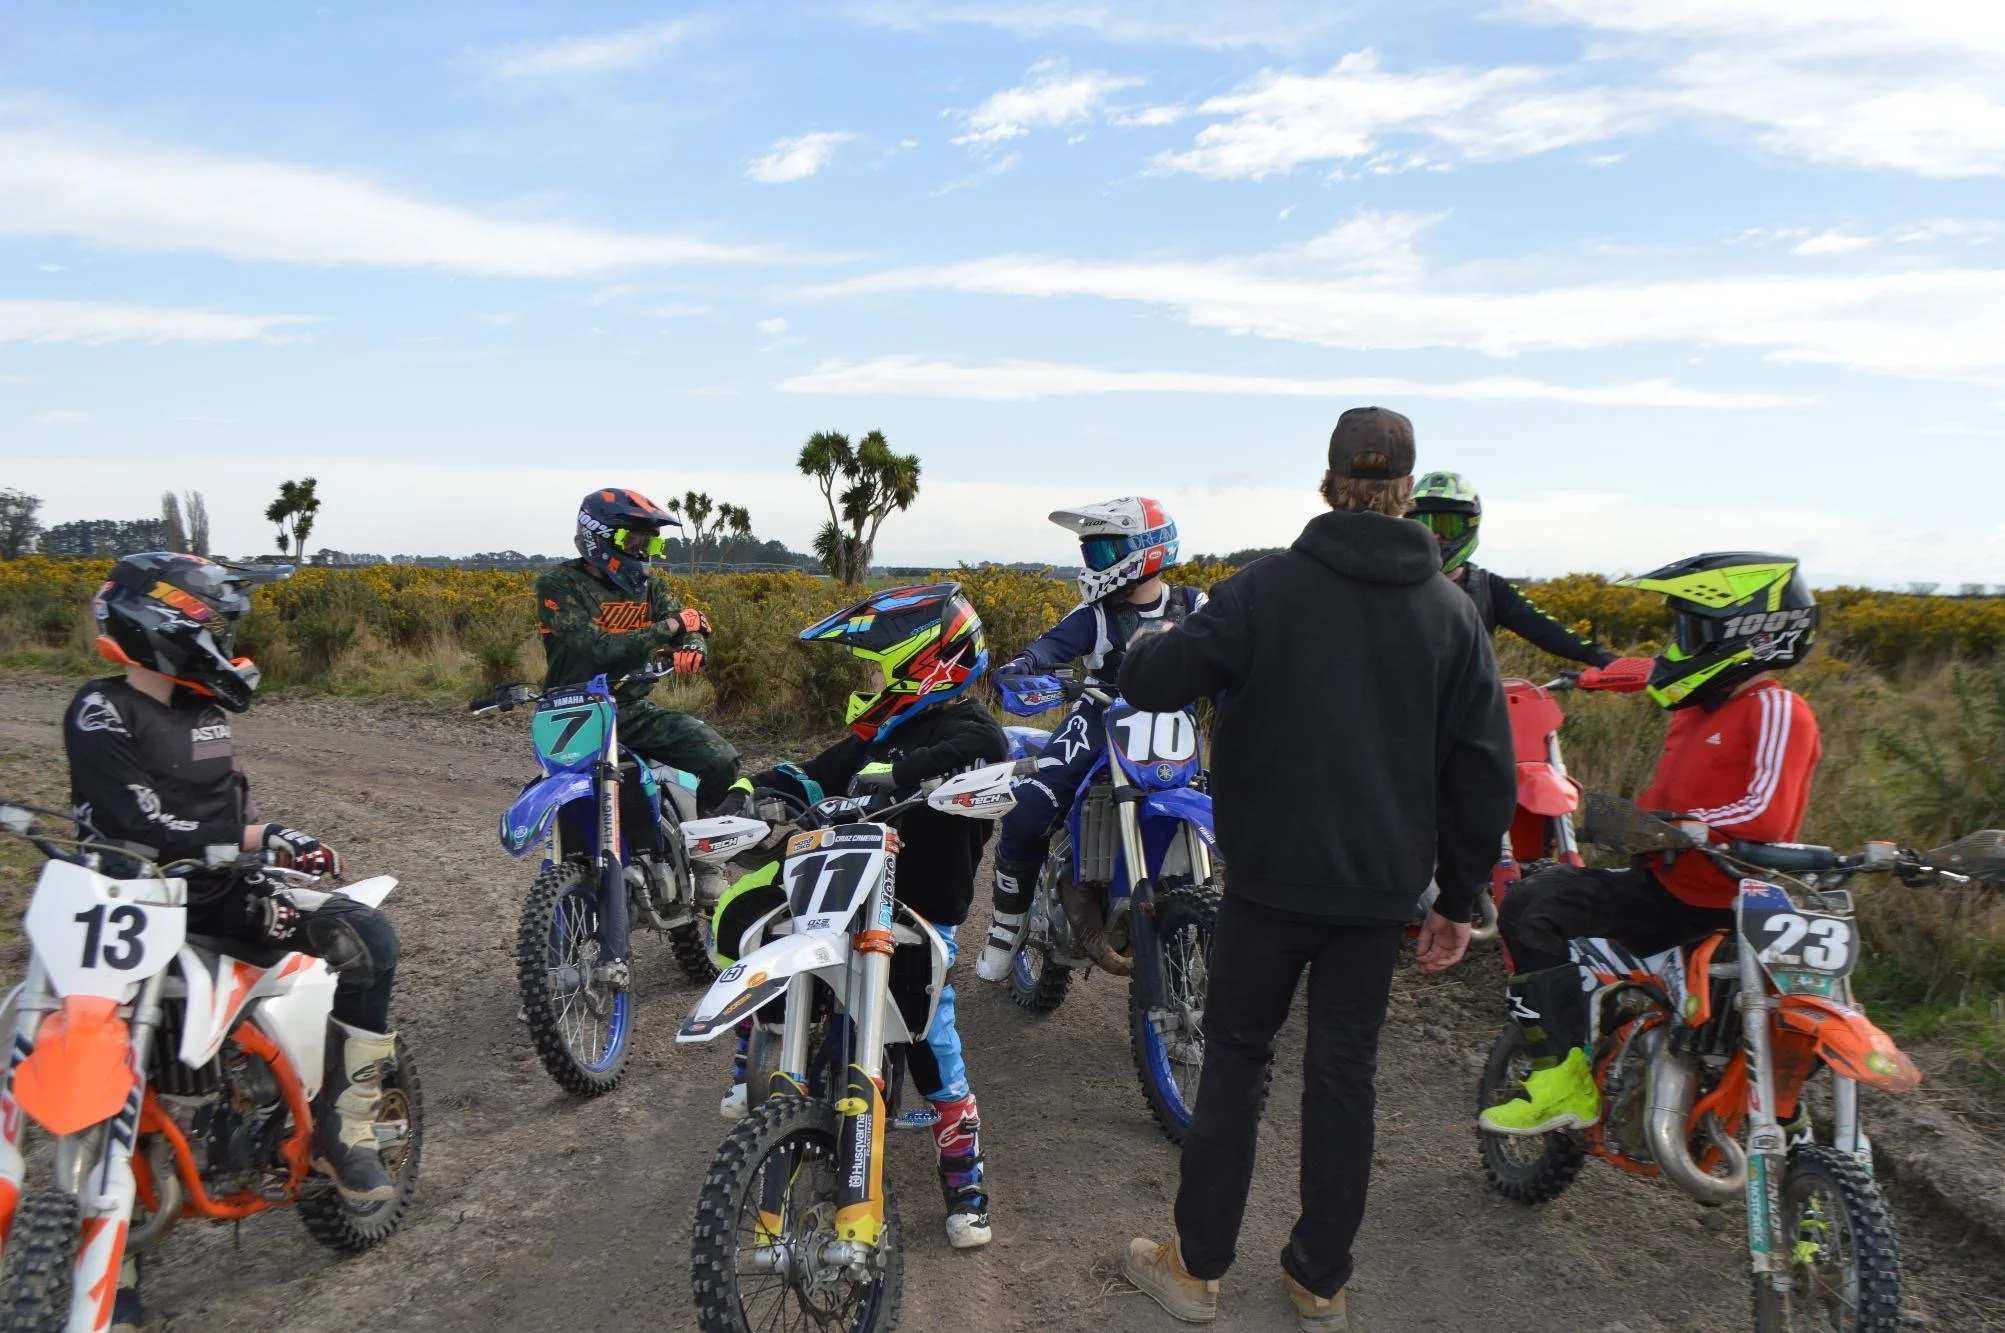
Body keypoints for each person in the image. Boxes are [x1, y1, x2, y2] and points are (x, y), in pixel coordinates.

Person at [1114, 407, 1517, 1330]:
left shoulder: (1265, 591)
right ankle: (1318, 1279)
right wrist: (1458, 897)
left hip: (1265, 883)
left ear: (1330, 481)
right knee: (1344, 1075)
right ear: (1408, 490)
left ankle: (1195, 1269)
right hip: (1378, 897)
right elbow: (1483, 770)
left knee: (1237, 1060)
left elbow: (1158, 679)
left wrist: (1142, 649)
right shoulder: (1453, 615)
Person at [64, 554, 405, 1328]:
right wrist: (261, 833)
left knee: (368, 936)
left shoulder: (198, 706)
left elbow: (213, 807)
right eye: (213, 623)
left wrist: (264, 842)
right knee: (108, 1072)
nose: (224, 639)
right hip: (133, 909)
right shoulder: (102, 709)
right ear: (170, 623)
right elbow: (139, 822)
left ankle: (340, 1129)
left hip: (224, 898)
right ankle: (109, 1271)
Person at [1480, 552, 1822, 1136]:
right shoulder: (1701, 703)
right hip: (1664, 889)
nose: (1677, 643)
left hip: (1731, 905)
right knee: (1531, 903)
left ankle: (1787, 1129)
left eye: (1690, 629)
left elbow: (1764, 814)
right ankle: (1561, 1080)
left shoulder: (1774, 707)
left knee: (1802, 1020)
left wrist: (1674, 826)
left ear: (1745, 634)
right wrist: (1589, 675)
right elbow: (1651, 670)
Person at [710, 583, 1008, 1250]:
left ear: (924, 663)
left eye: (876, 667)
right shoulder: (886, 730)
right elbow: (815, 771)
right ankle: (756, 1047)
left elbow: (969, 758)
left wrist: (889, 777)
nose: (866, 682)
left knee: (933, 1037)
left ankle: (964, 1177)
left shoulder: (970, 730)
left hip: (919, 911)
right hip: (844, 892)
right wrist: (755, 787)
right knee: (761, 924)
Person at [976, 496, 1206, 982]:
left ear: (1146, 550)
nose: (1095, 565)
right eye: (1092, 554)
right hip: (1101, 718)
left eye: (1104, 553)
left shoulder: (1194, 605)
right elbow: (1052, 644)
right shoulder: (1097, 615)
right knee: (1031, 805)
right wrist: (1025, 666)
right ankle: (1005, 924)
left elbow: (1236, 640)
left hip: (1172, 728)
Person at [536, 488, 751, 900]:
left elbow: (692, 626)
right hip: (571, 710)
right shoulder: (559, 585)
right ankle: (573, 874)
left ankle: (707, 860)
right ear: (596, 536)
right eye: (631, 540)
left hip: (629, 706)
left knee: (721, 758)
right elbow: (596, 646)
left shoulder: (651, 588)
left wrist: (692, 644)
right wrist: (669, 629)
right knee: (565, 792)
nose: (641, 549)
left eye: (648, 541)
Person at [1411, 471, 1617, 667]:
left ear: (1470, 525)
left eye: (1448, 526)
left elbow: (1542, 627)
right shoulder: (1392, 581)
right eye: (1425, 523)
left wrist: (1598, 656)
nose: (1435, 535)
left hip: (1467, 701)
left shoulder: (1490, 588)